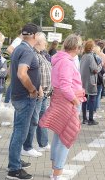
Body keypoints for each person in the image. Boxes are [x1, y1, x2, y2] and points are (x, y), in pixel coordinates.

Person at [38, 34, 85, 180]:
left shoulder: (61, 59)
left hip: (62, 100)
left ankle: (56, 170)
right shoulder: (66, 62)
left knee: (59, 136)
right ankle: (57, 174)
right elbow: (65, 87)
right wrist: (76, 102)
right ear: (76, 47)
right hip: (68, 102)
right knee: (66, 137)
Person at [7, 23, 42, 180]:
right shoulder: (27, 51)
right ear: (34, 35)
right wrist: (32, 90)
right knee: (20, 133)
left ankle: (15, 161)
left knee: (17, 131)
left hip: (18, 96)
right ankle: (14, 168)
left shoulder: (18, 49)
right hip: (25, 97)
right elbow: (22, 74)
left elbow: (11, 71)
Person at [21, 32, 51, 158]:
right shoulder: (33, 54)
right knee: (34, 120)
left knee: (42, 119)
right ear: (39, 42)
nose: (46, 43)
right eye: (45, 41)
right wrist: (38, 89)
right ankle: (27, 147)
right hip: (39, 93)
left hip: (45, 93)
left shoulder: (41, 54)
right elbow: (32, 74)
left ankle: (43, 143)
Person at [80, 40, 101, 125]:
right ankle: (91, 119)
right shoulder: (91, 56)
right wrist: (100, 66)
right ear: (92, 48)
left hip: (83, 81)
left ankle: (84, 118)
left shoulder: (83, 56)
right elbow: (95, 70)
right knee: (92, 100)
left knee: (84, 100)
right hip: (91, 81)